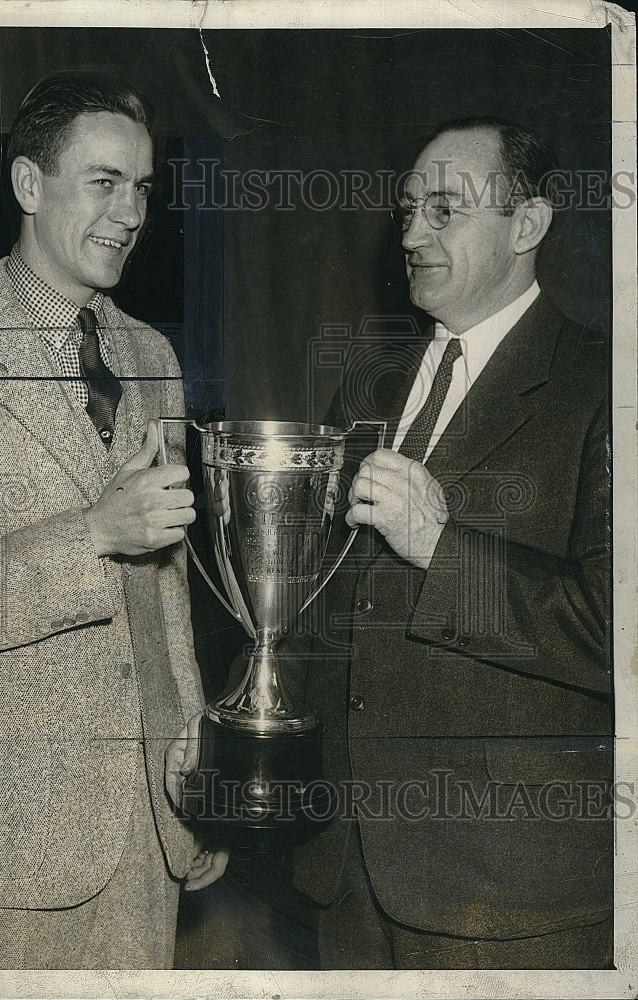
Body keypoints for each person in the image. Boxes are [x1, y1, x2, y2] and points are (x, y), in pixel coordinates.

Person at [0, 71, 227, 970]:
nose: (131, 212)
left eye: (141, 188)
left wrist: (194, 777)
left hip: (147, 837)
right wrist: (88, 533)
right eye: (103, 182)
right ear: (26, 185)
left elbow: (166, 597)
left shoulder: (150, 353)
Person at [289, 116, 613, 969]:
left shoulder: (606, 388)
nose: (411, 234)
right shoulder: (373, 383)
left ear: (528, 225)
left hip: (510, 899)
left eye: (443, 210)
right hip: (345, 872)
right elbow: (316, 603)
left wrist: (441, 545)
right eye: (406, 211)